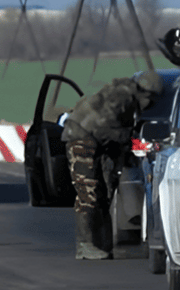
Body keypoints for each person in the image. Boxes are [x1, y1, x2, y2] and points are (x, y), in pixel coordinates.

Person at [61, 69, 164, 260]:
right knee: (88, 192)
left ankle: (99, 243)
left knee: (103, 192)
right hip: (82, 137)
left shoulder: (126, 95)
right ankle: (85, 245)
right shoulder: (122, 97)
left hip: (95, 140)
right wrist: (129, 143)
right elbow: (105, 126)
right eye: (152, 100)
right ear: (146, 93)